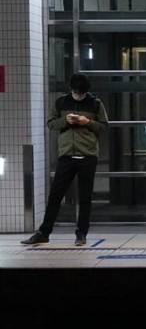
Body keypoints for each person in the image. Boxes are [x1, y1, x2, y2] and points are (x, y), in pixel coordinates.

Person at [21, 74, 109, 246]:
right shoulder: (61, 102)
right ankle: (44, 232)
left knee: (85, 198)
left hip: (88, 155)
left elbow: (104, 127)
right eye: (76, 93)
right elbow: (51, 124)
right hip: (66, 156)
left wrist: (87, 122)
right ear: (71, 90)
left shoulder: (96, 103)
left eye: (82, 93)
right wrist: (65, 121)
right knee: (55, 196)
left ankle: (81, 234)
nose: (79, 96)